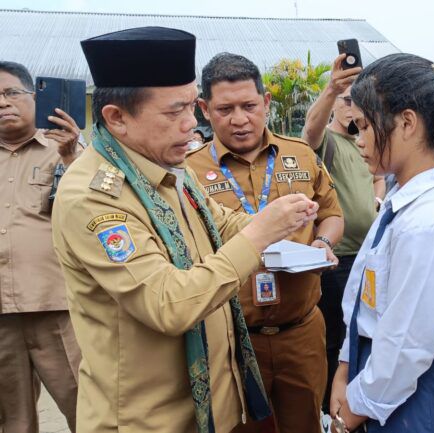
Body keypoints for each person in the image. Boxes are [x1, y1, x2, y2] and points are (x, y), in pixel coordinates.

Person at [51, 27, 318, 433]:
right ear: (117, 118)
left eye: (192, 108)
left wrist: (280, 219)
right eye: (174, 112)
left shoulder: (168, 164)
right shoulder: (93, 196)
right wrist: (261, 233)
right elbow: (168, 303)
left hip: (210, 406)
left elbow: (221, 223)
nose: (191, 126)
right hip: (150, 418)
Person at [186, 52, 344, 433]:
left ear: (266, 103)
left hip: (301, 331)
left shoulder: (301, 155)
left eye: (249, 106)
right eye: (224, 109)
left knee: (305, 423)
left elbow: (332, 213)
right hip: (234, 339)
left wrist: (323, 242)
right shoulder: (188, 171)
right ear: (204, 109)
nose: (239, 119)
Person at [329, 53, 434, 433]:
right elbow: (365, 295)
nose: (359, 141)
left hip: (415, 394)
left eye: (364, 127)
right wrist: (347, 366)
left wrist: (354, 409)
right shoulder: (402, 201)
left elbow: (406, 344)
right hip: (385, 380)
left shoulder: (429, 222)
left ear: (407, 123)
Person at [0, 61, 82, 433]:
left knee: (84, 405)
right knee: (13, 419)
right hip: (2, 315)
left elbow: (101, 206)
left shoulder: (66, 149)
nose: (3, 103)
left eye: (11, 93)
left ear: (34, 96)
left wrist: (71, 156)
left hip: (57, 306)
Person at [302, 53, 386, 413]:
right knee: (336, 339)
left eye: (358, 103)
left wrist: (377, 202)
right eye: (346, 102)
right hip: (338, 259)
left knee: (363, 335)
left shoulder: (365, 141)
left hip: (367, 256)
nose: (353, 111)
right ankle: (329, 410)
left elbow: (378, 178)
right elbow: (310, 132)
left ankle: (354, 403)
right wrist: (331, 89)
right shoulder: (330, 143)